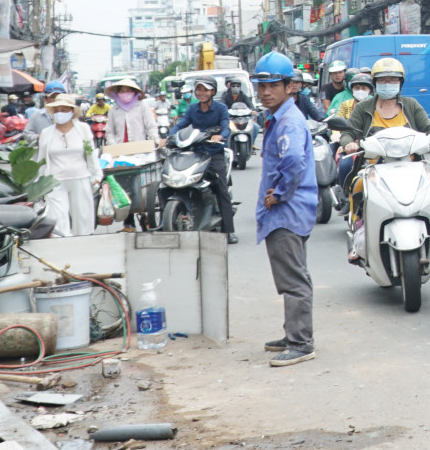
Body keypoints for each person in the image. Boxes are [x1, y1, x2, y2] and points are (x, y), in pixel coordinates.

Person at [252, 53, 318, 368]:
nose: (266, 91)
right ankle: (293, 333)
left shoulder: (289, 121)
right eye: (261, 85)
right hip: (289, 211)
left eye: (273, 85)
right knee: (291, 274)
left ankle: (301, 343)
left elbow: (292, 161)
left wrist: (278, 195)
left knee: (293, 279)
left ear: (289, 86)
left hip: (287, 212)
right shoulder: (280, 117)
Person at [338, 57, 430, 263]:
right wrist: (349, 143)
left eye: (393, 80)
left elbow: (429, 127)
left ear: (401, 83)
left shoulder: (411, 104)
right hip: (374, 166)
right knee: (358, 187)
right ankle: (359, 231)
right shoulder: (364, 107)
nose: (388, 84)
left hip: (411, 165)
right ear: (375, 83)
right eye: (383, 80)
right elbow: (348, 133)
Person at [166, 76, 238, 243]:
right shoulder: (192, 109)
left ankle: (229, 230)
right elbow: (181, 124)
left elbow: (226, 126)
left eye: (205, 90)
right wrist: (168, 135)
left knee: (222, 189)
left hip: (214, 153)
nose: (202, 93)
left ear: (212, 91)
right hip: (194, 152)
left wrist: (220, 136)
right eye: (199, 89)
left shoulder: (221, 108)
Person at [34, 92, 100, 236]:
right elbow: (42, 161)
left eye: (64, 110)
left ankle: (83, 245)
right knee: (57, 218)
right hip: (55, 181)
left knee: (82, 217)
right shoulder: (46, 133)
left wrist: (96, 175)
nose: (60, 114)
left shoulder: (83, 129)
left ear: (72, 112)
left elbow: (91, 154)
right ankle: (61, 246)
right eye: (56, 111)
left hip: (80, 177)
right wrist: (39, 183)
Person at [104, 76, 157, 145]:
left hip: (139, 148)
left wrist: (154, 140)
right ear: (118, 93)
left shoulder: (142, 106)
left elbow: (151, 126)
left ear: (134, 92)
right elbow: (109, 131)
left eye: (128, 91)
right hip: (119, 149)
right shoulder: (114, 110)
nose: (125, 93)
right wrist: (112, 144)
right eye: (122, 91)